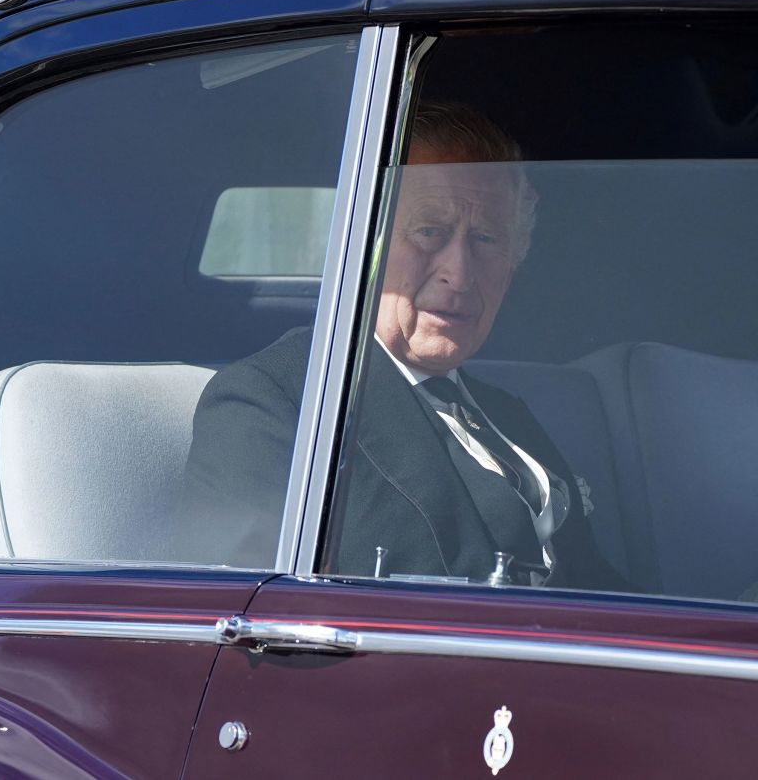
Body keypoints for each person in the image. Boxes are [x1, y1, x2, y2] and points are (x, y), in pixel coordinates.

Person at [179, 101, 622, 590]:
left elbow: (601, 592)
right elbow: (245, 622)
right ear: (363, 240)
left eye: (486, 237)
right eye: (429, 231)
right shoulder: (275, 402)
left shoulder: (508, 414)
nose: (459, 272)